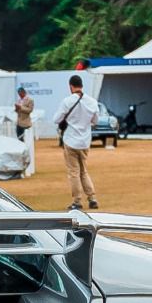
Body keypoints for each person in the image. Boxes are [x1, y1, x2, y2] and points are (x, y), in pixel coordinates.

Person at [52, 74, 100, 211]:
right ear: (82, 85)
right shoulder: (92, 102)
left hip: (71, 140)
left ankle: (77, 201)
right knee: (84, 171)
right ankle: (92, 198)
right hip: (85, 141)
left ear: (71, 86)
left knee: (74, 172)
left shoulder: (67, 101)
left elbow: (56, 119)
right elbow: (95, 121)